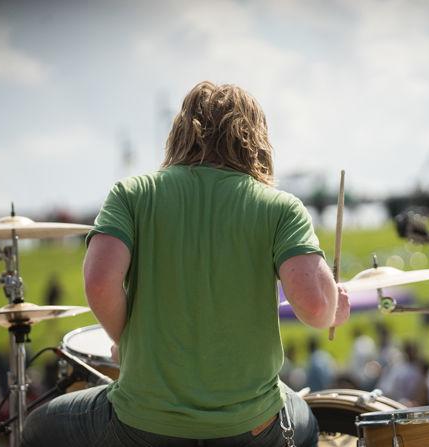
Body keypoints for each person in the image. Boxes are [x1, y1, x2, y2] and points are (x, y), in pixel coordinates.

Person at [22, 81, 350, 447]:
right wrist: (333, 308)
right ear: (255, 138)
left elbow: (99, 282)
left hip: (141, 424)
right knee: (307, 422)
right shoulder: (281, 208)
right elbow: (317, 307)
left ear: (180, 132)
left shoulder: (132, 193)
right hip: (251, 428)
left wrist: (126, 339)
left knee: (35, 427)